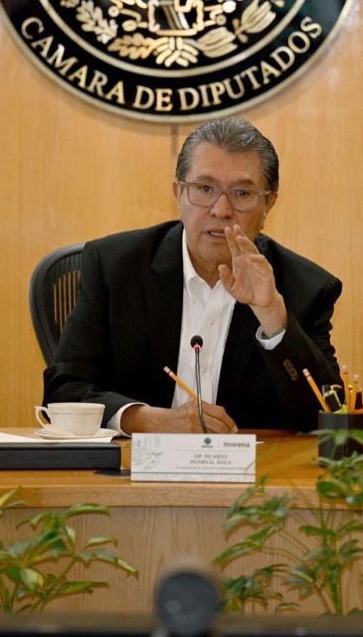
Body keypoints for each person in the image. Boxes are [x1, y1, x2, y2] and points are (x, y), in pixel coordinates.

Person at [46, 118, 341, 433]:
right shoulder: (115, 267)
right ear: (179, 194)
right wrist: (149, 420)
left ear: (268, 204)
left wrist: (272, 316)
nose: (221, 210)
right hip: (133, 461)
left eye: (242, 193)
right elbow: (65, 392)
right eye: (205, 188)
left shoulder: (304, 289)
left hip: (257, 464)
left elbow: (329, 416)